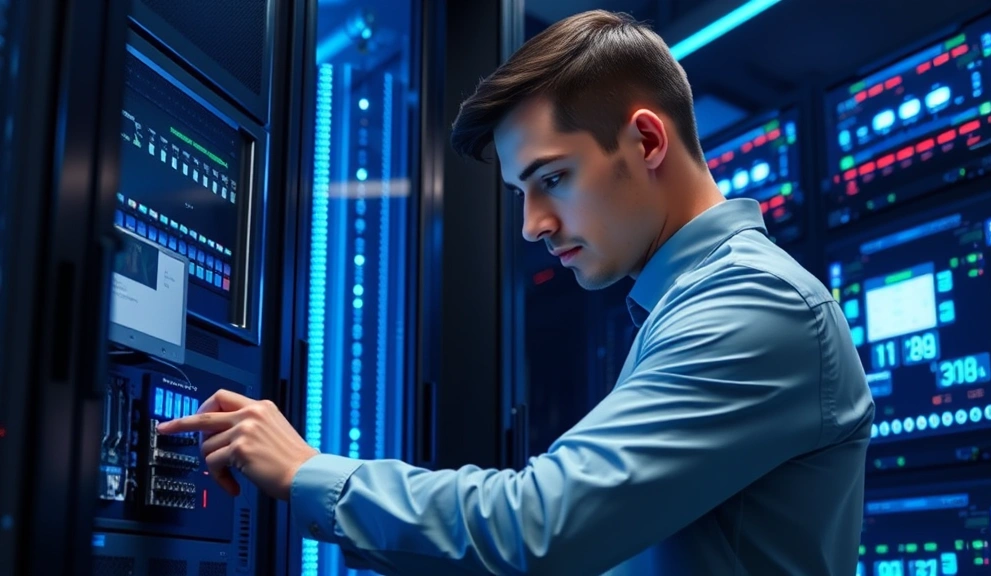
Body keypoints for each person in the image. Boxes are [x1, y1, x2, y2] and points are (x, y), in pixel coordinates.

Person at [157, 9, 874, 575]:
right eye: (520, 193)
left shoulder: (756, 307)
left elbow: (537, 528)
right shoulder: (689, 304)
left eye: (552, 179)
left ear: (648, 142)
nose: (533, 225)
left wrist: (313, 475)